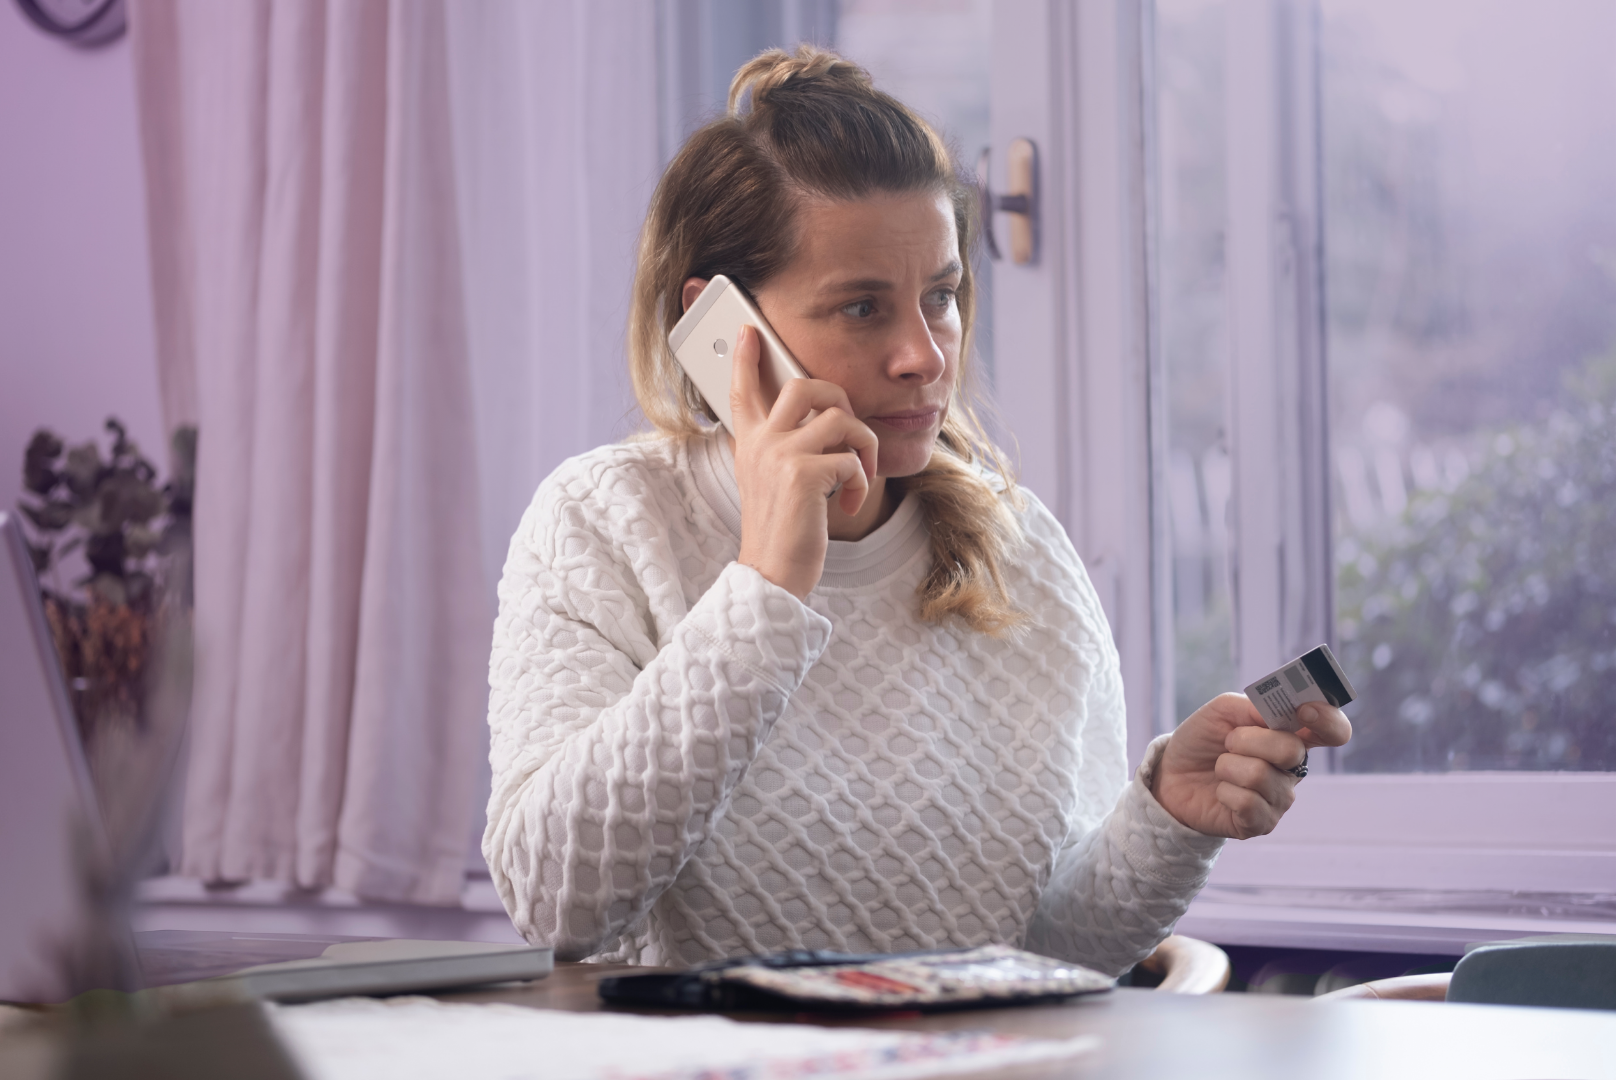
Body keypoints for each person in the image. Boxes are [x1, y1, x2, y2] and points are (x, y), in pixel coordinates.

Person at [483, 46, 1350, 971]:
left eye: (940, 297)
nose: (925, 357)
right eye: (862, 308)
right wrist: (766, 587)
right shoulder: (602, 523)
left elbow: (1044, 953)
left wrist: (1170, 817)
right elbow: (556, 901)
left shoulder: (1022, 551)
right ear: (722, 329)